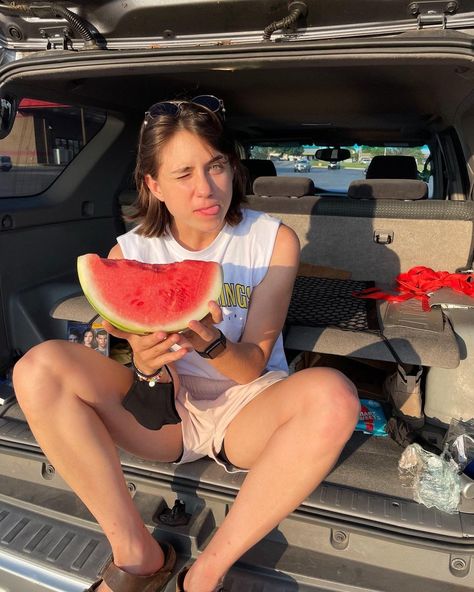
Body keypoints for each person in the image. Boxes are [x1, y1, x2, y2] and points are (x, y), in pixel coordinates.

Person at [12, 96, 360, 592]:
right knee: (36, 368)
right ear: (153, 184)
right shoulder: (129, 252)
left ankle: (204, 575)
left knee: (335, 396)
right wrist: (142, 361)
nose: (206, 188)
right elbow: (118, 354)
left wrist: (211, 342)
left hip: (247, 408)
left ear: (231, 166)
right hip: (163, 412)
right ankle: (137, 555)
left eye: (216, 166)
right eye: (183, 175)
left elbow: (252, 366)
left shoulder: (272, 241)